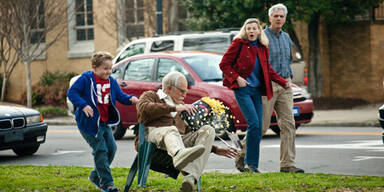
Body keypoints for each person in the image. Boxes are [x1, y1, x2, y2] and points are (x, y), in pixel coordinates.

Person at [136, 71, 237, 192]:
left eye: (186, 91)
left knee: (208, 130)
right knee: (171, 129)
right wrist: (174, 108)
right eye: (182, 91)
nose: (184, 95)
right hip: (152, 143)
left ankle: (190, 178)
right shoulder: (152, 96)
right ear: (168, 88)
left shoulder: (182, 108)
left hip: (176, 146)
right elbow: (143, 108)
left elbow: (190, 135)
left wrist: (215, 149)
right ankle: (179, 154)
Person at [220, 18, 289, 173]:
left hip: (257, 91)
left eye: (254, 28)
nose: (251, 31)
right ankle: (251, 164)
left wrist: (283, 82)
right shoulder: (238, 44)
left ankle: (251, 165)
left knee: (257, 129)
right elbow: (224, 64)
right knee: (254, 124)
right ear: (245, 31)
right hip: (242, 90)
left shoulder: (263, 47)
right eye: (248, 28)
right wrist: (237, 78)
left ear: (259, 31)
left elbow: (267, 69)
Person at [67, 51, 138, 192]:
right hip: (89, 124)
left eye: (110, 68)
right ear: (94, 67)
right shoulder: (86, 79)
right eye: (105, 68)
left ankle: (95, 175)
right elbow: (72, 92)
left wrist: (131, 99)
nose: (108, 71)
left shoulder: (111, 81)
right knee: (101, 150)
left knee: (112, 149)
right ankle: (107, 184)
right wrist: (83, 105)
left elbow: (120, 96)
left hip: (104, 123)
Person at [262, 3, 305, 173]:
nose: (279, 18)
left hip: (285, 85)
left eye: (281, 16)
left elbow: (288, 59)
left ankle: (287, 164)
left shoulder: (286, 37)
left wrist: (289, 79)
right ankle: (243, 157)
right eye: (276, 16)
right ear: (270, 18)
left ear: (285, 19)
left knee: (288, 125)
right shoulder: (262, 37)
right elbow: (262, 64)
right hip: (268, 85)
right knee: (262, 126)